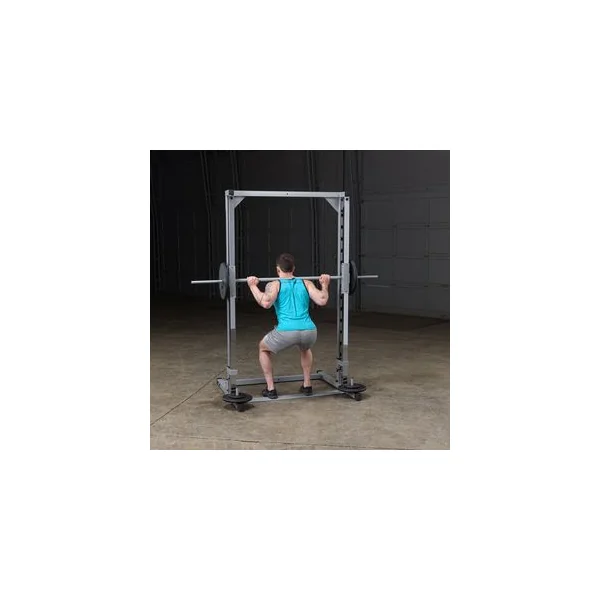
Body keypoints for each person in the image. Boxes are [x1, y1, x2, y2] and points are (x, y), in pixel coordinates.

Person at [247, 253, 331, 399]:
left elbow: (265, 302)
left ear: (277, 269)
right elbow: (322, 300)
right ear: (293, 269)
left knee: (263, 348)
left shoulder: (274, 284)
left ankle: (271, 389)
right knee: (305, 348)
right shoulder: (306, 283)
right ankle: (307, 385)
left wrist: (252, 286)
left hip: (286, 332)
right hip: (310, 331)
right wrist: (325, 284)